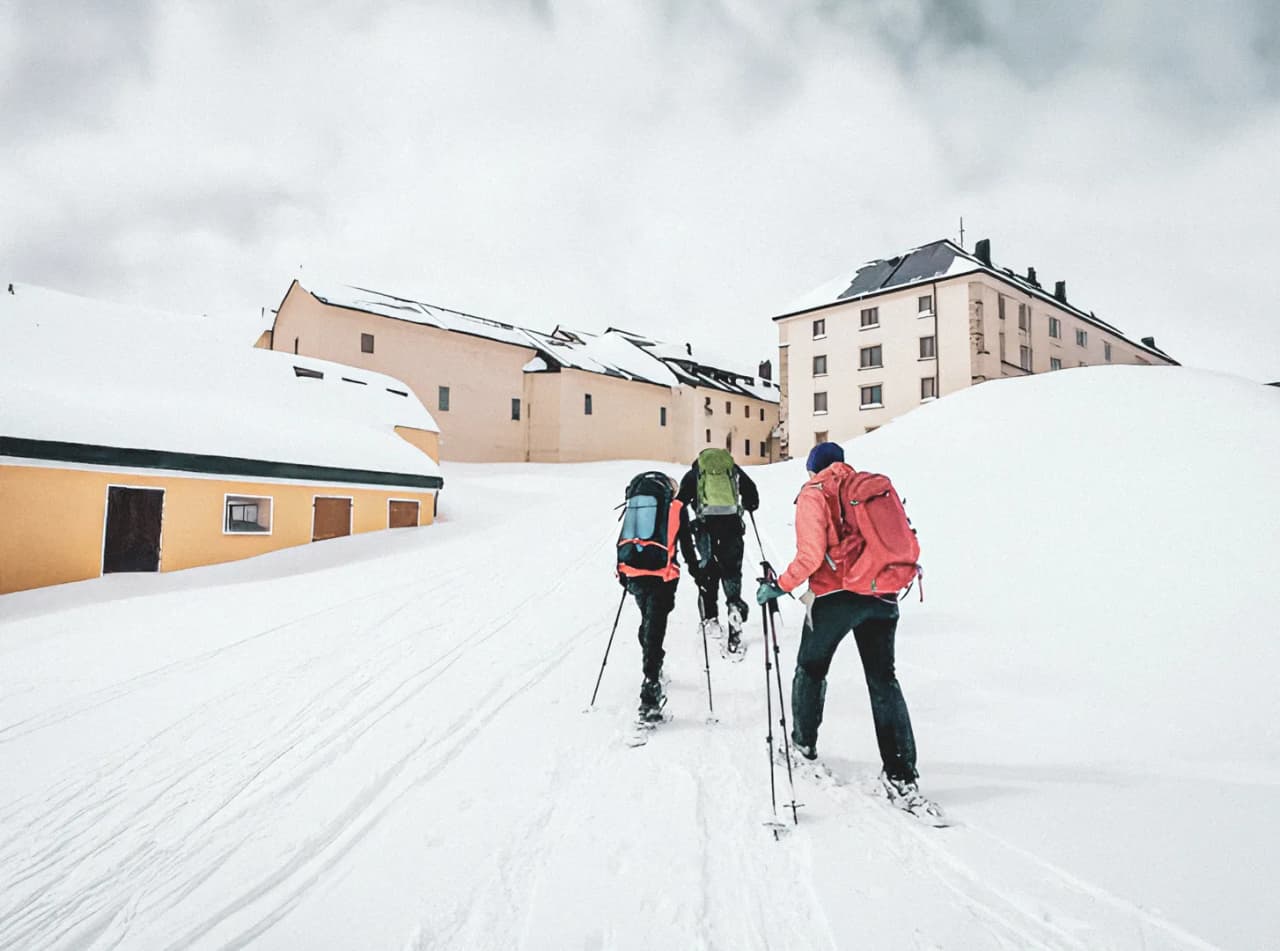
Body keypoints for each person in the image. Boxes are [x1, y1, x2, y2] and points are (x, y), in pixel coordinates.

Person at [756, 442, 941, 821]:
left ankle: (803, 746)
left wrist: (781, 585)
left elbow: (810, 555)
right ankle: (901, 776)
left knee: (810, 667)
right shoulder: (868, 488)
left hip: (837, 597)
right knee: (883, 680)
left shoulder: (815, 493)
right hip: (883, 593)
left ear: (813, 469)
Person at [617, 471, 699, 719]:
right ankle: (650, 686)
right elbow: (686, 547)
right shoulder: (676, 508)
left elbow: (625, 539)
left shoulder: (635, 506)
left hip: (633, 572)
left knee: (648, 621)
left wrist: (622, 573)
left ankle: (654, 664)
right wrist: (699, 574)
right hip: (663, 576)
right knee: (656, 624)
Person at [677, 447, 759, 656]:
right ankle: (734, 615)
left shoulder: (695, 473)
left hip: (705, 531)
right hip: (732, 530)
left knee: (708, 573)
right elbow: (752, 496)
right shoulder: (733, 470)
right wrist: (747, 505)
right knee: (732, 575)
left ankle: (710, 620)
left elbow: (679, 503)